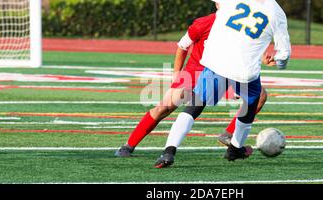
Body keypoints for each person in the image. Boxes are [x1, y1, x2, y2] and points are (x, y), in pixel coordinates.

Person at [114, 2, 270, 157]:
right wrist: (177, 74)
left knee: (260, 95)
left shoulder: (241, 27)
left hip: (225, 72)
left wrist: (264, 57)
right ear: (217, 5)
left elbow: (250, 48)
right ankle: (129, 145)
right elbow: (182, 46)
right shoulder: (204, 23)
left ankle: (228, 134)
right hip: (196, 71)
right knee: (165, 107)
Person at [154, 0, 291, 168]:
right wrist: (277, 61)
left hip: (216, 60)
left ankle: (168, 151)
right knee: (251, 103)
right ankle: (235, 148)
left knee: (194, 106)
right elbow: (284, 54)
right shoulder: (277, 13)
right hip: (244, 69)